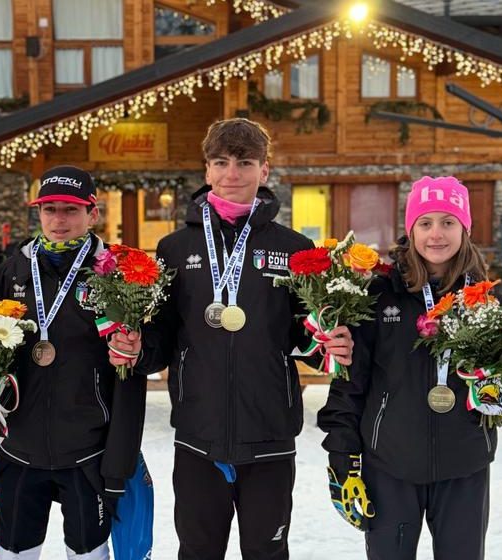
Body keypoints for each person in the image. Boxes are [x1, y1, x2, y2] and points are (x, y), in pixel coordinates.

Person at [110, 118, 353, 559]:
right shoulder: (175, 249)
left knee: (267, 552)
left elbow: (306, 334)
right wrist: (139, 349)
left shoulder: (296, 249)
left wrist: (332, 348)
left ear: (264, 171)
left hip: (269, 434)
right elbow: (163, 333)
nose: (232, 174)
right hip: (197, 434)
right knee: (199, 551)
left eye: (245, 162)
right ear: (206, 170)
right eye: (220, 162)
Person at [0, 165, 147, 559]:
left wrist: (117, 462)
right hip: (20, 450)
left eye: (70, 209)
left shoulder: (115, 274)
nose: (59, 219)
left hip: (88, 452)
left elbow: (130, 371)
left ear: (93, 213)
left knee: (89, 553)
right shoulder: (13, 268)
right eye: (49, 209)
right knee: (15, 552)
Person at [317, 176, 502, 560]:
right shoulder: (377, 297)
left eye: (448, 222)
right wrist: (342, 458)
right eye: (425, 222)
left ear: (465, 230)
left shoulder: (492, 303)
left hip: (464, 467)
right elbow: (350, 382)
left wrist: (501, 394)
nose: (436, 234)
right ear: (410, 229)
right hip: (389, 466)